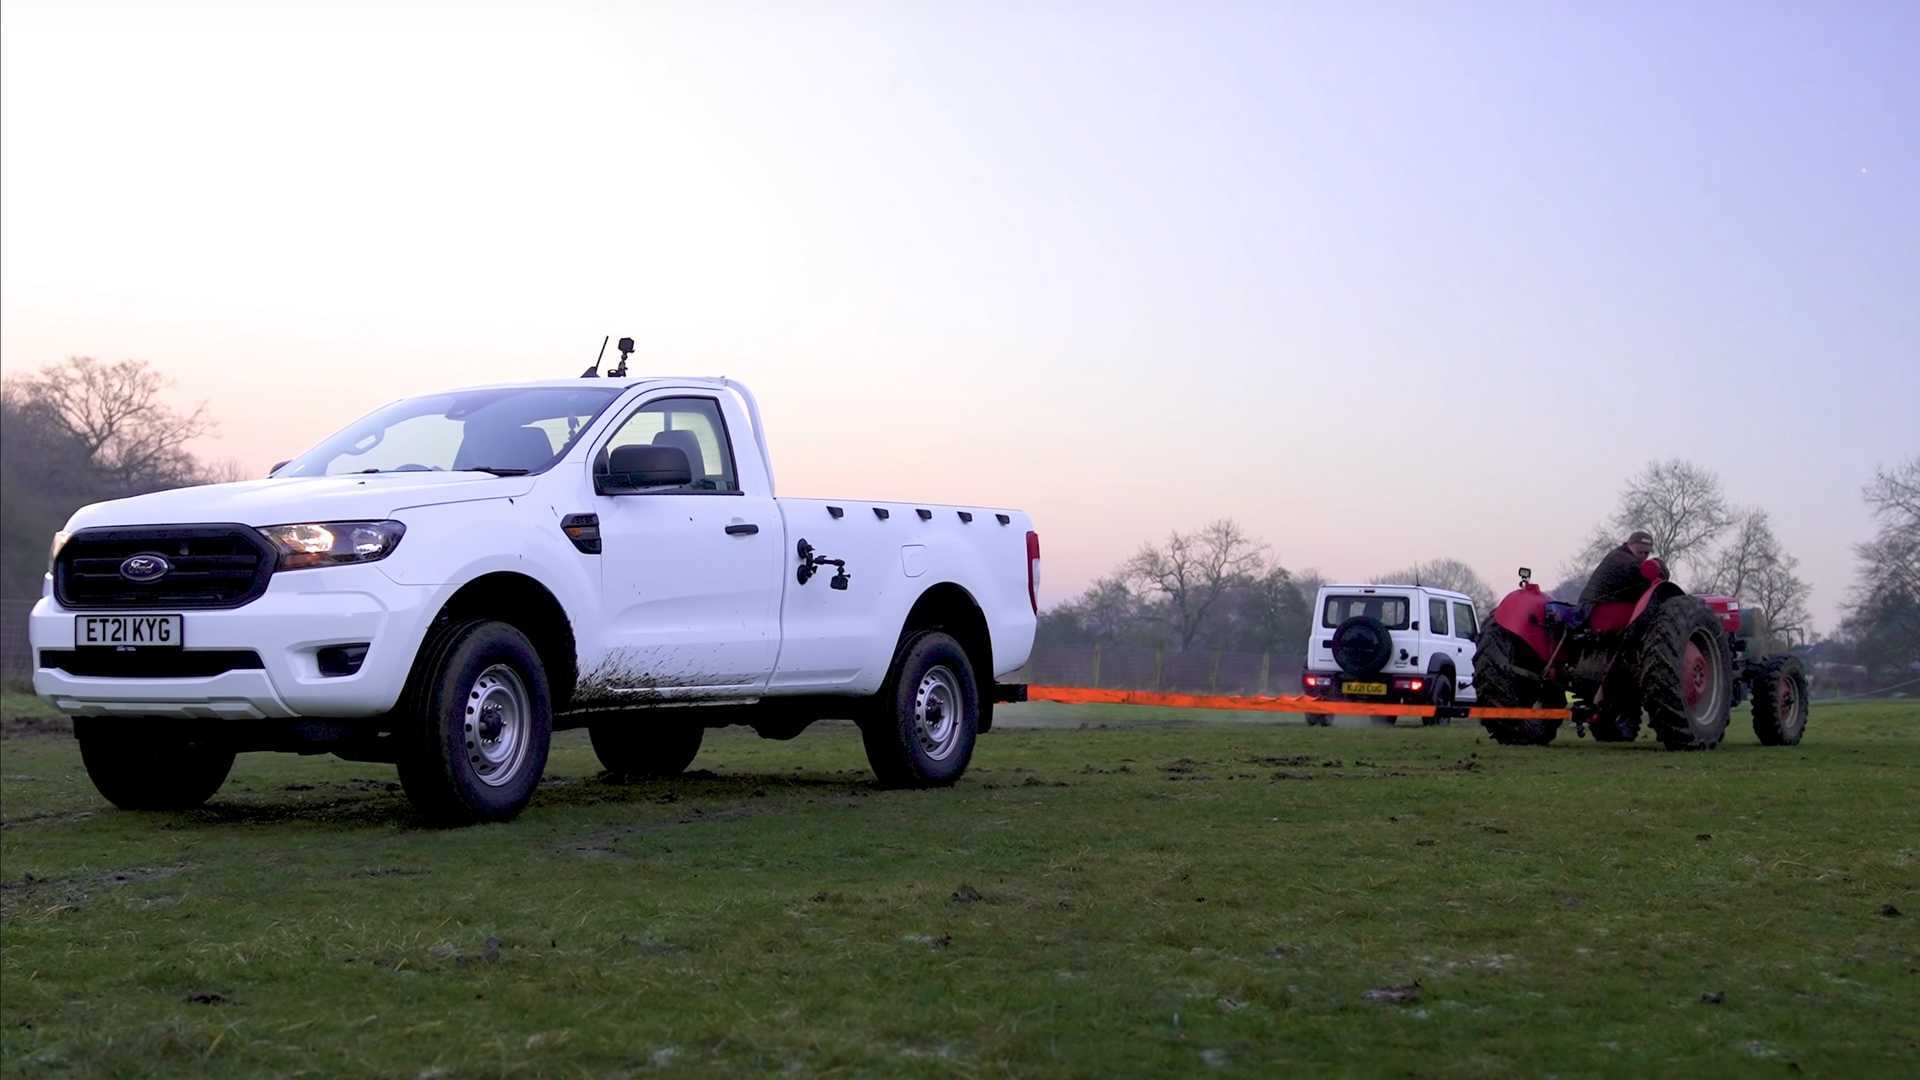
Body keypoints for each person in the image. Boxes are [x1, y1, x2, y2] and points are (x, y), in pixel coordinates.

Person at [1579, 530, 1661, 610]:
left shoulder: (1623, 556)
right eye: (1640, 551)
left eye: (1646, 553)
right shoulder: (1622, 559)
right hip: (1592, 609)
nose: (1643, 555)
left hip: (1599, 605)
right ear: (1629, 545)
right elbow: (1644, 584)